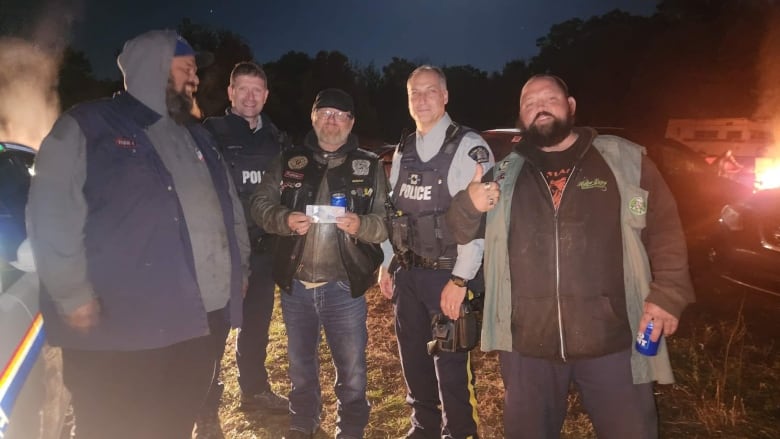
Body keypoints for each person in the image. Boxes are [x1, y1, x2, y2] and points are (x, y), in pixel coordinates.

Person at [26, 30, 249, 439]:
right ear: (154, 69)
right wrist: (71, 294)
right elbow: (50, 212)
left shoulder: (196, 134)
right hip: (123, 325)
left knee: (175, 421)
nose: (195, 79)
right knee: (115, 425)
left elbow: (228, 205)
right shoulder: (87, 126)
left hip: (199, 320)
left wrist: (241, 270)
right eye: (187, 69)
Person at [445, 74, 696, 438]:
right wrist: (469, 202)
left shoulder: (621, 160)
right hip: (527, 343)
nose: (539, 107)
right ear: (521, 116)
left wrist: (668, 294)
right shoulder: (504, 174)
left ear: (571, 106)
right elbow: (459, 229)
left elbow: (666, 229)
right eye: (529, 103)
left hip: (612, 338)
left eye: (549, 98)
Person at [250, 88, 387, 439]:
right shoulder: (288, 159)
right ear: (313, 117)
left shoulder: (369, 165)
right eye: (324, 112)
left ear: (351, 122)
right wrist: (283, 219)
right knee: (300, 368)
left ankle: (351, 427)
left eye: (340, 114)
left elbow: (385, 220)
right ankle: (302, 422)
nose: (331, 120)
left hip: (345, 285)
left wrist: (362, 225)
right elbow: (259, 204)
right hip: (297, 285)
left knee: (353, 371)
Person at [378, 65, 492, 439]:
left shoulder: (468, 146)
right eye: (415, 93)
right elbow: (393, 211)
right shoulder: (403, 148)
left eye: (430, 91)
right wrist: (386, 263)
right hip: (407, 274)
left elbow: (477, 224)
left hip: (447, 274)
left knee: (452, 364)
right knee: (413, 359)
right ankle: (423, 427)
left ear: (445, 96)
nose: (422, 99)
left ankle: (458, 431)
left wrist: (461, 279)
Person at [194, 61, 289, 438]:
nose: (250, 97)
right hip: (222, 254)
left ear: (265, 96)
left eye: (258, 91)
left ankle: (254, 390)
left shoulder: (277, 140)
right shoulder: (208, 135)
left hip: (264, 253)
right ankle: (206, 410)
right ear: (231, 93)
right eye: (243, 89)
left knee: (256, 327)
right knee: (214, 333)